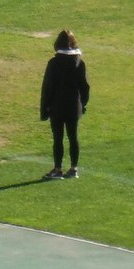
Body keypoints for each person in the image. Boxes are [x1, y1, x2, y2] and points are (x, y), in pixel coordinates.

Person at [39, 30, 90, 180]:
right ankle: (74, 168)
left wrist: (44, 108)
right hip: (74, 107)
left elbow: (47, 87)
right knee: (73, 137)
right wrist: (83, 104)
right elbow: (85, 87)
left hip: (57, 107)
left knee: (58, 138)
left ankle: (57, 168)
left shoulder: (54, 63)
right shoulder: (79, 63)